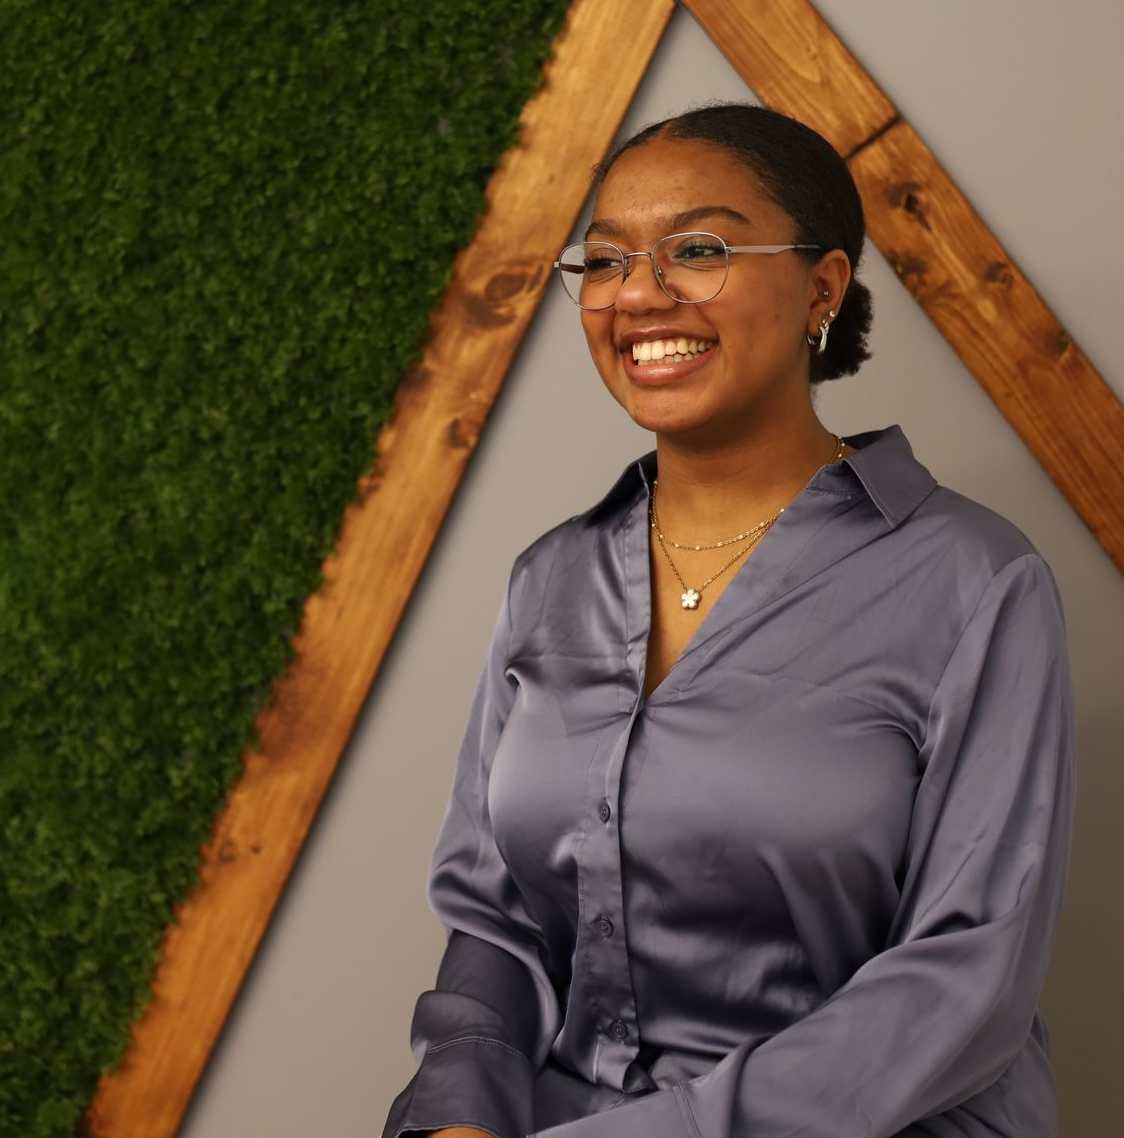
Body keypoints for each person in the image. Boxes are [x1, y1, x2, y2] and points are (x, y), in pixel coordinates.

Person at [379, 102, 1076, 1138]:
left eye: (697, 250)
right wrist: (459, 1119)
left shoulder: (975, 581)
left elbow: (967, 978)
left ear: (822, 288)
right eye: (605, 261)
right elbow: (497, 921)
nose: (638, 294)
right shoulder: (551, 578)